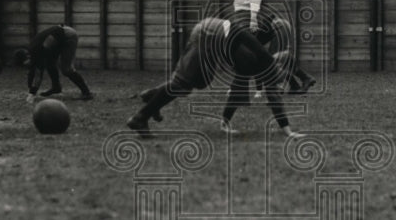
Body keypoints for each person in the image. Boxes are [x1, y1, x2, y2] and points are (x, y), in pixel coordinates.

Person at [126, 17, 301, 138]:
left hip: (209, 32)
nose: (278, 86)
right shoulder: (262, 60)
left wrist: (287, 130)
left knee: (199, 82)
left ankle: (153, 96)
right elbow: (263, 95)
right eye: (280, 80)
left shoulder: (260, 57)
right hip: (208, 35)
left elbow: (241, 91)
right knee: (182, 84)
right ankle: (140, 118)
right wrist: (287, 131)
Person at [12, 24, 93, 102]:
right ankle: (56, 87)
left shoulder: (37, 51)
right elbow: (32, 72)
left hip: (67, 35)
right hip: (57, 38)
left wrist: (32, 94)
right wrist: (31, 90)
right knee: (49, 63)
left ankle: (86, 93)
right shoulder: (32, 53)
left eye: (25, 64)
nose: (26, 66)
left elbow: (38, 74)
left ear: (27, 56)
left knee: (66, 69)